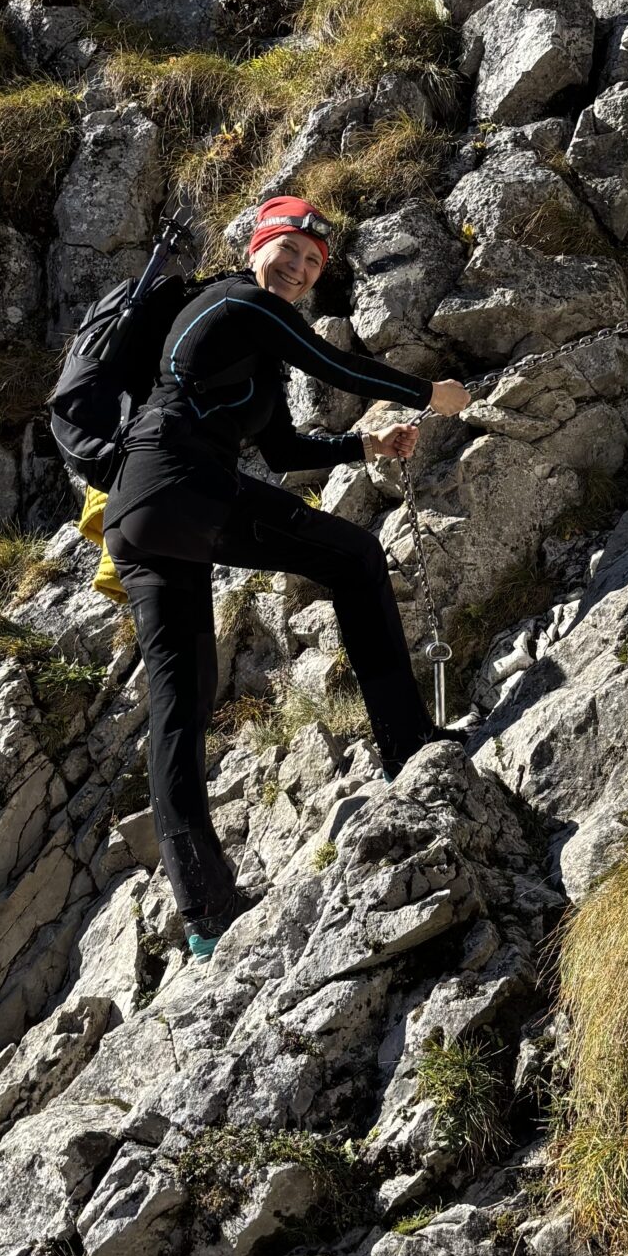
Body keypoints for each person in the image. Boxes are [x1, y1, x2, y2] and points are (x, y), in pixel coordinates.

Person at [104, 194, 472, 959]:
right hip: (183, 487)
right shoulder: (235, 301)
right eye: (289, 251)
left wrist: (366, 448)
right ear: (255, 248)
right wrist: (427, 393)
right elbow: (331, 363)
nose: (299, 269)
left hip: (142, 516)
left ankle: (206, 913)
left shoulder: (250, 345)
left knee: (182, 704)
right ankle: (407, 745)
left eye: (312, 263)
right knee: (356, 558)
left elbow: (281, 450)